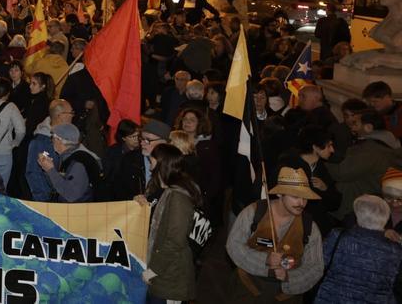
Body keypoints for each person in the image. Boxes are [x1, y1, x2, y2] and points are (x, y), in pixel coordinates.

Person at [226, 166, 325, 302]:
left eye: (305, 198)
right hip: (249, 288)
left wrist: (289, 277)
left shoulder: (310, 228)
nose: (301, 203)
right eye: (295, 196)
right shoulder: (254, 213)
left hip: (285, 296)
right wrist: (265, 260)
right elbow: (233, 245)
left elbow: (315, 267)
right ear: (279, 194)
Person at [143, 143, 202, 303]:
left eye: (152, 160)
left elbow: (175, 240)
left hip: (169, 277)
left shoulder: (178, 198)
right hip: (163, 273)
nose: (150, 164)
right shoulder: (167, 191)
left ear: (162, 164)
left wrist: (153, 270)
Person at [327, 109, 402, 219]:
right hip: (368, 201)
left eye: (355, 124)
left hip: (357, 203)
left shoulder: (371, 150)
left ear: (368, 128)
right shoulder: (385, 143)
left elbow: (343, 172)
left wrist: (321, 162)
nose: (352, 128)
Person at [37, 123, 101, 202]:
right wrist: (47, 169)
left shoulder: (78, 162)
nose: (51, 141)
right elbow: (60, 185)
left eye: (52, 137)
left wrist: (51, 170)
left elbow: (70, 195)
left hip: (78, 211)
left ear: (59, 140)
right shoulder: (68, 157)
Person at [24, 99, 74, 201]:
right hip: (50, 202)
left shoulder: (72, 137)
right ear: (61, 116)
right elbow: (33, 174)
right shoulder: (39, 142)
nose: (73, 115)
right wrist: (45, 200)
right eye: (71, 112)